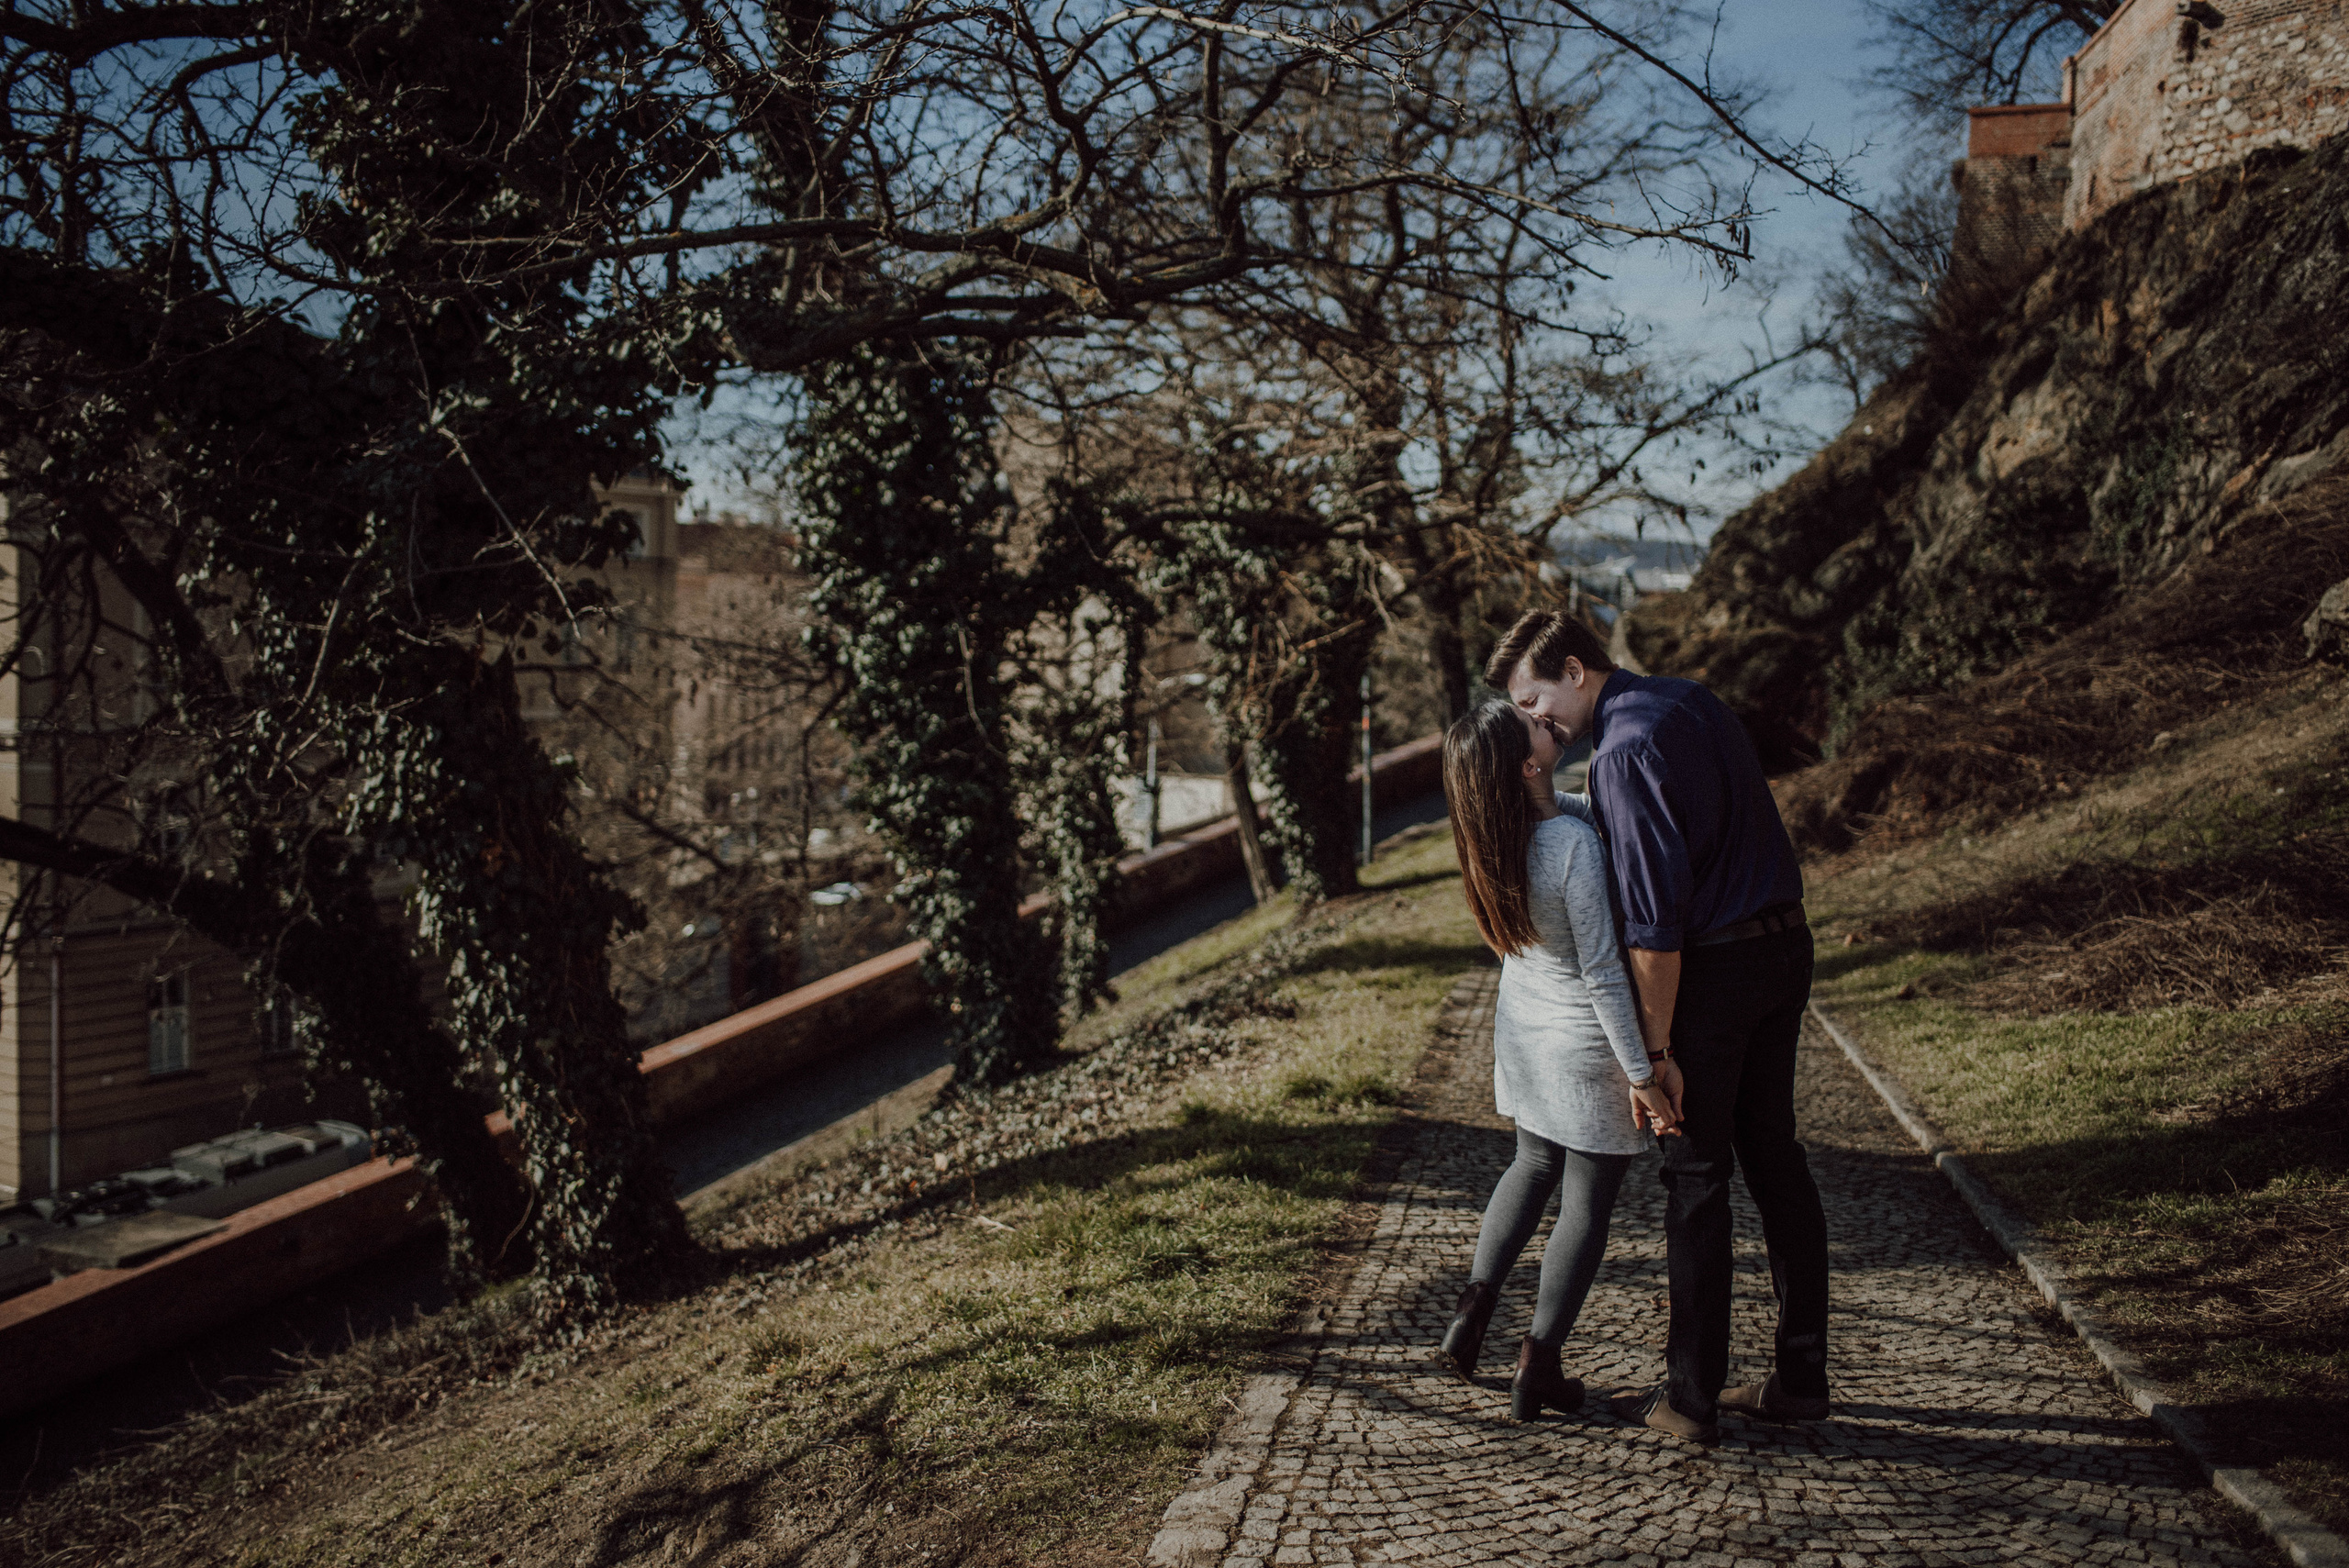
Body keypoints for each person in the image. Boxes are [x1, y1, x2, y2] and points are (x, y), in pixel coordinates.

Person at [1487, 608, 1830, 1447]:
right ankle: (1801, 1376)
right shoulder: (1685, 701)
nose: (1535, 723)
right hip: (1786, 947)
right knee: (1776, 1157)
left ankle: (1691, 1397)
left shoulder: (1625, 751)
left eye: (1535, 701)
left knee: (1697, 1177)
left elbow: (1654, 930)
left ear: (1574, 669)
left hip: (1715, 976)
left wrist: (1654, 1056)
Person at [1436, 700, 1680, 1421]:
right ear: (1528, 764)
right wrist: (1642, 1071)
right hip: (1582, 1046)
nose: (1548, 719)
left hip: (1524, 1036)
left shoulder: (1496, 836)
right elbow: (1606, 970)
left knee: (1531, 1164)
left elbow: (1577, 807)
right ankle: (1538, 1365)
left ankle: (1468, 1318)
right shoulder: (1570, 846)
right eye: (1535, 726)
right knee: (1585, 1203)